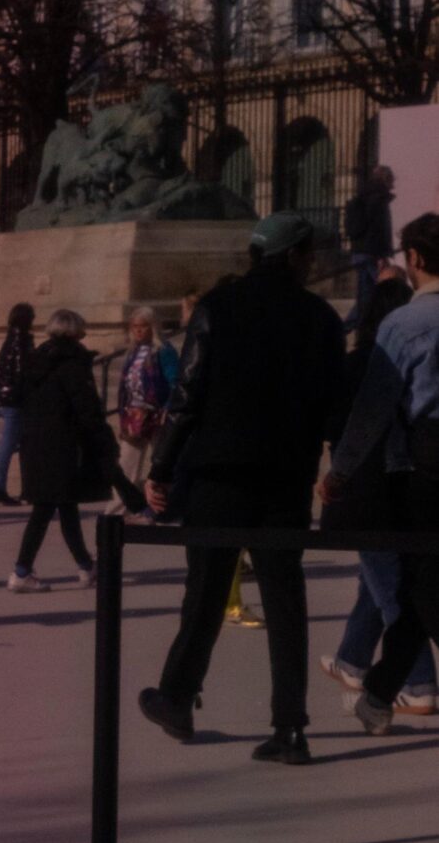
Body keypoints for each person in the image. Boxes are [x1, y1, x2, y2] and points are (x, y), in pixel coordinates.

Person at [139, 210, 345, 766]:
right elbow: (334, 408)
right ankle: (291, 727)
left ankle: (178, 697)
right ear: (296, 255)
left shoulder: (218, 309)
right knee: (284, 601)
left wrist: (160, 469)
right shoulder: (319, 318)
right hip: (285, 479)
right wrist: (337, 465)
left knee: (204, 594)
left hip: (219, 475)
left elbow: (187, 397)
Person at [323, 211, 439, 737]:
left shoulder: (404, 325)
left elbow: (372, 409)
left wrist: (340, 471)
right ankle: (379, 689)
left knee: (420, 587)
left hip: (423, 465)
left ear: (414, 260)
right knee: (420, 590)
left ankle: (381, 689)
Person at [6, 310, 140, 589]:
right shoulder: (73, 364)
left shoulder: (36, 360)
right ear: (74, 332)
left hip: (36, 445)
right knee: (45, 509)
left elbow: (20, 400)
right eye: (82, 330)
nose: (85, 334)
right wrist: (106, 442)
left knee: (66, 505)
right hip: (64, 446)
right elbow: (87, 410)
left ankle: (85, 566)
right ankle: (21, 571)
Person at [107, 304, 178, 511]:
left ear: (153, 327)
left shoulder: (163, 350)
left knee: (161, 463)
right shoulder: (133, 352)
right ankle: (116, 511)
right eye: (135, 326)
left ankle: (165, 508)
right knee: (126, 464)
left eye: (143, 326)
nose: (138, 330)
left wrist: (168, 407)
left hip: (157, 415)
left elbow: (175, 381)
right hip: (134, 415)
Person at [0, 301, 35, 505]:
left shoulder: (10, 338)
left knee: (9, 444)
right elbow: (22, 372)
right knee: (7, 446)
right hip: (13, 401)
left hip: (5, 399)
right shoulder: (21, 340)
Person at [343, 167, 395, 329]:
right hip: (372, 253)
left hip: (359, 252)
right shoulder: (378, 199)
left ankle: (349, 326)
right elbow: (378, 229)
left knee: (366, 294)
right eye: (391, 179)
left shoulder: (363, 195)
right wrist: (382, 254)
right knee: (387, 289)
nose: (393, 184)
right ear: (385, 179)